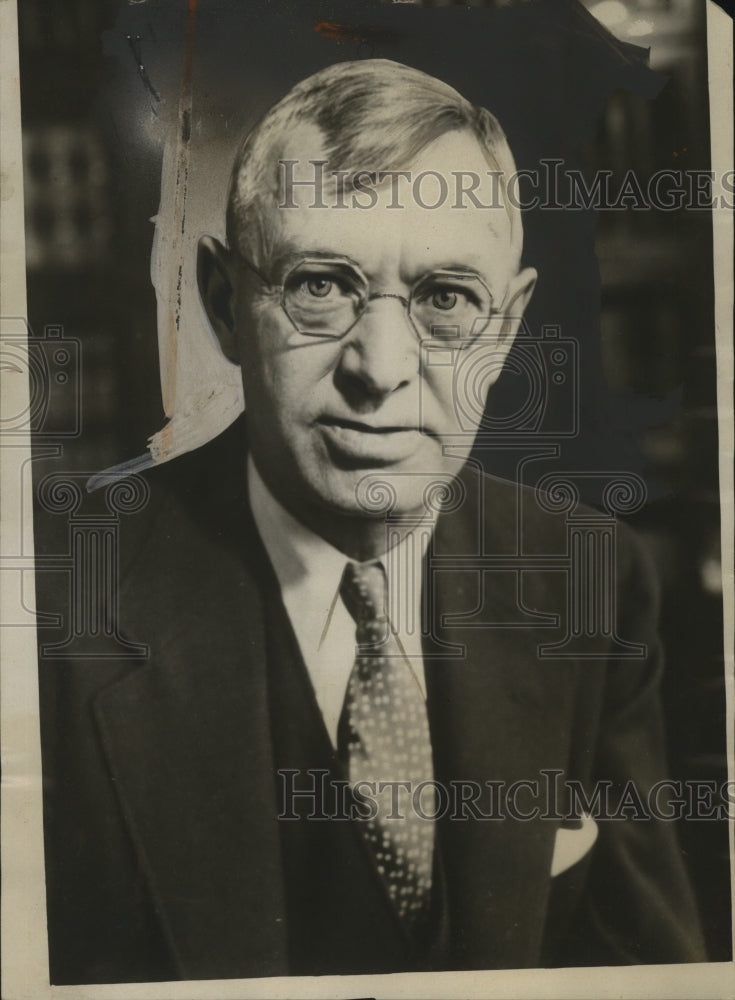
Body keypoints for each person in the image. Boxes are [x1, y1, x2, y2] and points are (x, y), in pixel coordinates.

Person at [39, 59, 706, 985]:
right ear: (228, 304)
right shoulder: (53, 611)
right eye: (322, 286)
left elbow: (653, 970)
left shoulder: (587, 577)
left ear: (505, 327)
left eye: (443, 300)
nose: (381, 368)